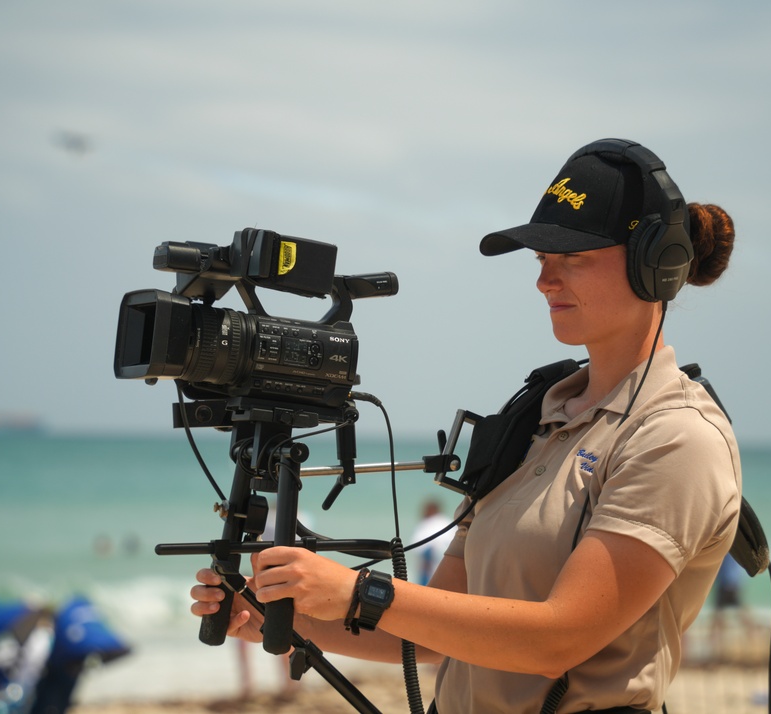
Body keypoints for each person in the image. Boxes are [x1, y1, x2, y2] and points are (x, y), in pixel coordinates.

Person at [189, 138, 742, 713]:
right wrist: (281, 617)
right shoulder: (532, 421)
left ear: (658, 265)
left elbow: (560, 639)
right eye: (540, 260)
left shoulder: (677, 438)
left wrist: (356, 590)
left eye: (572, 257)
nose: (545, 281)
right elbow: (434, 627)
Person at [410, 500, 455, 587]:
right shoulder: (449, 523)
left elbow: (419, 549)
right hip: (449, 572)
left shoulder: (426, 524)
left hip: (429, 574)